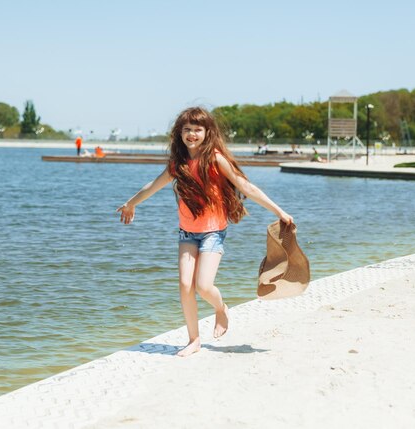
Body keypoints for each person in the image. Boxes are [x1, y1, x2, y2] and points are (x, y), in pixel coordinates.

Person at [117, 107, 293, 357]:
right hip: (187, 233)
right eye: (186, 130)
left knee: (202, 285)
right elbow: (153, 186)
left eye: (197, 130)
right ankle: (194, 340)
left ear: (207, 132)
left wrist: (279, 211)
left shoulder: (215, 159)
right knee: (184, 285)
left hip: (213, 232)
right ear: (179, 133)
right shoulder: (178, 164)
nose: (191, 134)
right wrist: (131, 202)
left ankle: (221, 308)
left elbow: (245, 186)